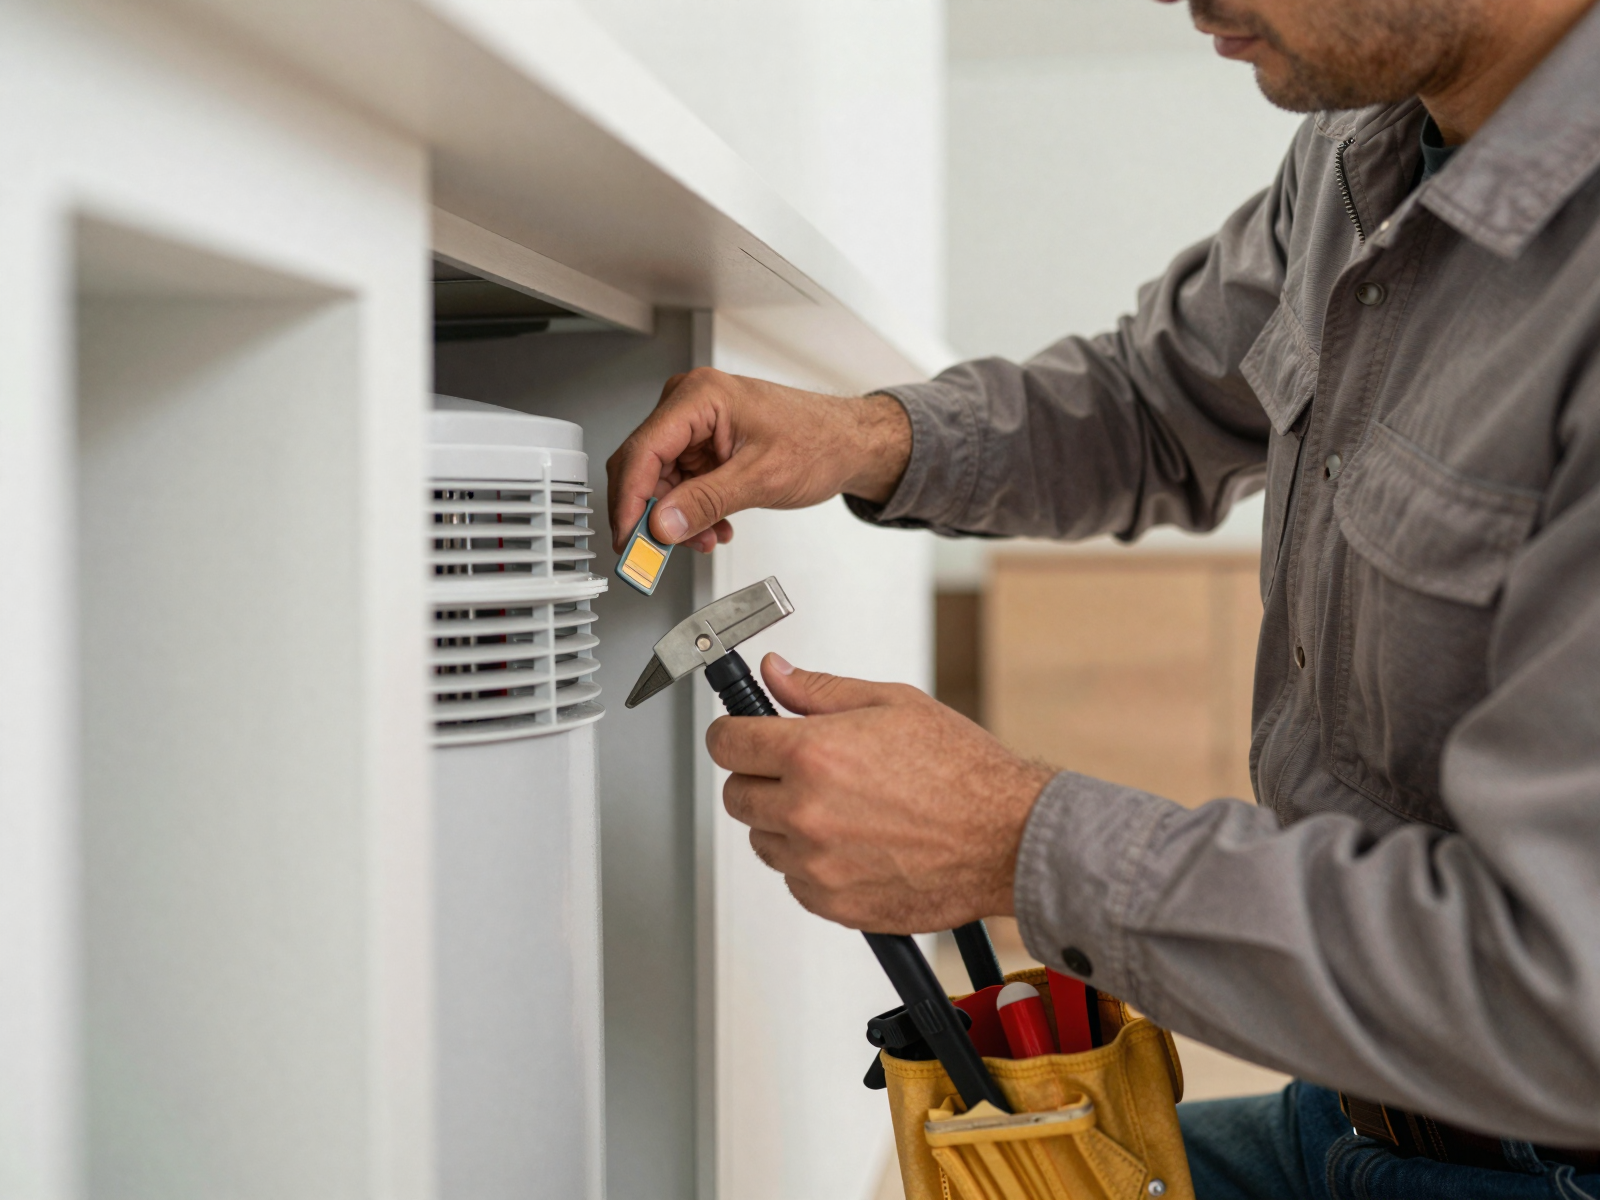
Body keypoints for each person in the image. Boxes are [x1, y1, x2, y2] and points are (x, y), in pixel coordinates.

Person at [606, 0, 1600, 1195]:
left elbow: (1563, 987)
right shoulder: (1367, 145)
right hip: (1357, 1109)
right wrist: (863, 435)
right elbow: (1155, 401)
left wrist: (1019, 840)